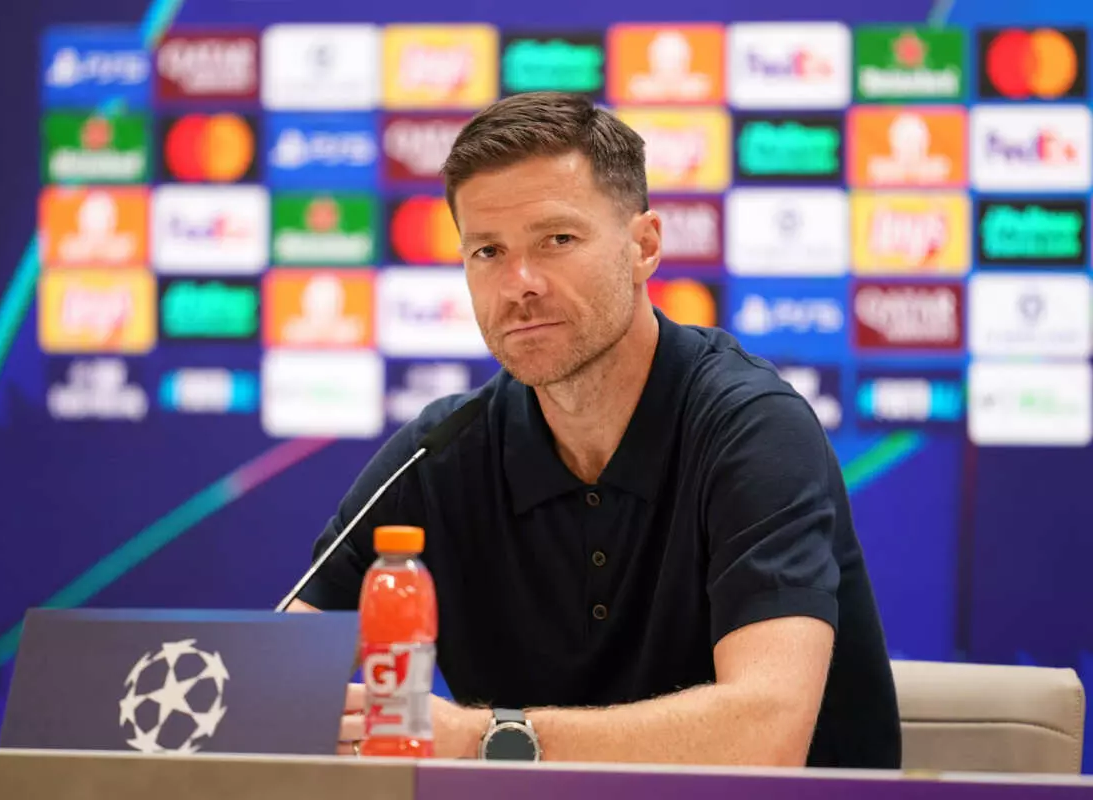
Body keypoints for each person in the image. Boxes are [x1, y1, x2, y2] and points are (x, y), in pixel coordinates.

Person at [288, 91, 901, 769]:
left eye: (557, 240)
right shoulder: (439, 455)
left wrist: (485, 739)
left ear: (644, 246)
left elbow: (766, 733)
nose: (520, 283)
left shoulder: (752, 430)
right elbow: (267, 683)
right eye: (488, 251)